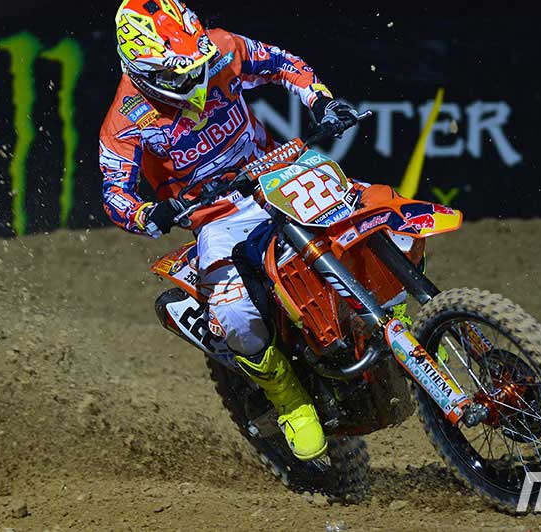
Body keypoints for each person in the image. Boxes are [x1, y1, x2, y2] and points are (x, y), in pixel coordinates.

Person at [100, 0, 372, 461]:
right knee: (234, 314)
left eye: (198, 62)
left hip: (278, 172)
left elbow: (282, 63)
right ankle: (289, 399)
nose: (195, 76)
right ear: (144, 70)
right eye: (180, 72)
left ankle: (407, 322)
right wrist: (150, 215)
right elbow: (115, 195)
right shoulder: (123, 122)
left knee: (367, 211)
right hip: (216, 215)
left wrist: (320, 100)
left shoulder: (222, 47)